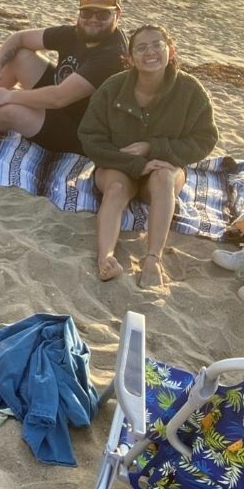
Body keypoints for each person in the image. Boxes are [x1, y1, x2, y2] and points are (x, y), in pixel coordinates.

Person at [76, 24, 217, 290]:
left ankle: (153, 258)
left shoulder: (190, 90)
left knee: (164, 180)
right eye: (141, 48)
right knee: (116, 188)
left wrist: (152, 147)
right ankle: (105, 258)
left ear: (170, 50)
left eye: (157, 45)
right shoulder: (112, 88)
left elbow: (206, 139)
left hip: (164, 166)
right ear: (129, 58)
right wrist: (134, 163)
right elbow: (90, 137)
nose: (149, 52)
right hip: (118, 165)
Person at [0, 0, 127, 160]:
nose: (93, 19)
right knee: (19, 57)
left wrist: (10, 96)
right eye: (87, 13)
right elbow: (19, 38)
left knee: (11, 110)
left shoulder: (113, 56)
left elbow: (59, 98)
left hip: (78, 131)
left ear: (117, 14)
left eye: (103, 14)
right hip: (60, 103)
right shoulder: (76, 33)